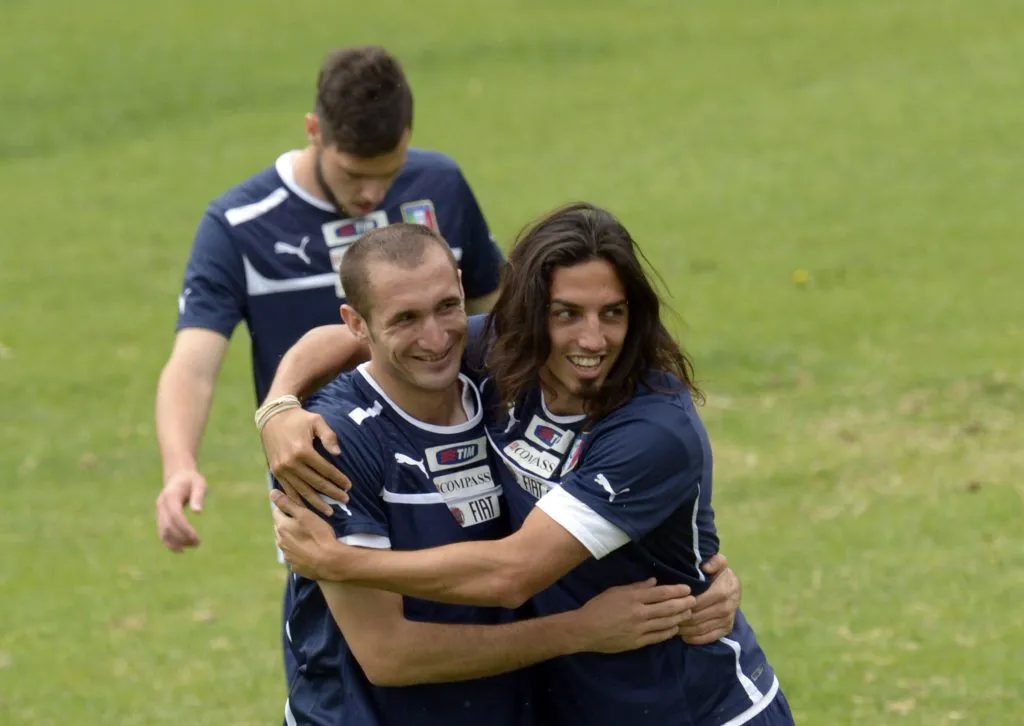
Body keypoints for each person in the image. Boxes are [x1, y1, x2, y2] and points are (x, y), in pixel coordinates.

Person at [262, 204, 779, 725]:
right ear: (534, 313)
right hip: (571, 703)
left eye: (613, 312)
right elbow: (346, 339)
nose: (592, 339)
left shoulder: (652, 430)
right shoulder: (500, 355)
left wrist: (342, 564)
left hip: (695, 707)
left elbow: (514, 573)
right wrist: (278, 405)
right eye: (566, 313)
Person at [153, 45, 506, 684]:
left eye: (389, 172)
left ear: (409, 138)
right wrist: (181, 464)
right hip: (331, 479)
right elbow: (194, 362)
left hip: (464, 464)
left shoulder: (442, 184)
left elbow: (495, 316)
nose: (373, 194)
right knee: (363, 658)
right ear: (314, 131)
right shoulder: (239, 224)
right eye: (353, 175)